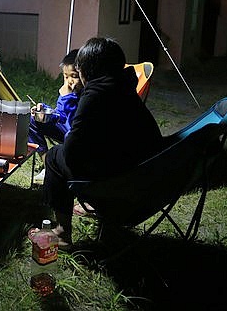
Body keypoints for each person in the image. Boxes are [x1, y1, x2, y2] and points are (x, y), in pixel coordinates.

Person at [43, 37, 163, 247]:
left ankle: (62, 233)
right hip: (144, 176)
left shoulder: (95, 94)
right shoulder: (124, 87)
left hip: (115, 183)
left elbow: (71, 152)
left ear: (86, 70)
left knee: (55, 156)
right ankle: (107, 227)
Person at [28, 49, 82, 184]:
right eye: (65, 76)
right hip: (66, 131)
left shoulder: (87, 94)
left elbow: (72, 124)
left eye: (74, 76)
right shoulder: (69, 91)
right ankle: (48, 165)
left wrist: (66, 97)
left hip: (76, 137)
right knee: (32, 120)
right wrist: (44, 111)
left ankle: (62, 169)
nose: (69, 81)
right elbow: (60, 114)